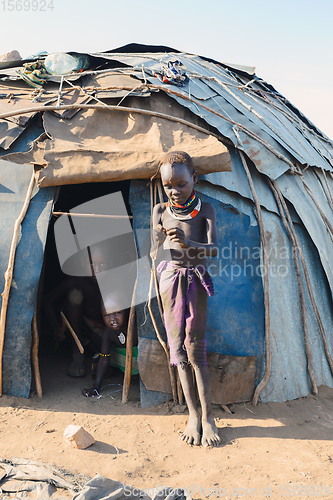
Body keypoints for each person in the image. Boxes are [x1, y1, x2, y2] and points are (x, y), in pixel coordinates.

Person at [151, 150, 220, 447]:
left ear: (194, 178)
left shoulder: (206, 210)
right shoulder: (159, 211)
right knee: (178, 351)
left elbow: (214, 249)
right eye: (169, 186)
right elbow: (156, 246)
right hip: (168, 281)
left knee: (196, 349)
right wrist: (160, 235)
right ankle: (192, 415)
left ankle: (208, 418)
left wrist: (189, 242)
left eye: (181, 184)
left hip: (194, 280)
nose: (175, 191)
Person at [82, 291, 138, 397]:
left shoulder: (137, 327)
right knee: (104, 365)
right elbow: (104, 358)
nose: (112, 318)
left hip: (139, 364)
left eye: (117, 312)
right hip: (122, 363)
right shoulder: (108, 332)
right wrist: (96, 386)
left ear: (126, 311)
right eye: (107, 315)